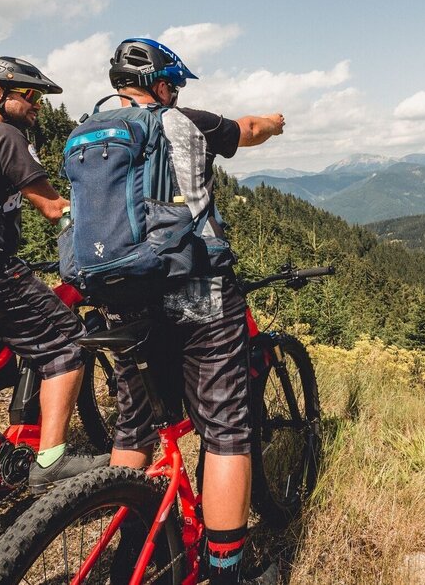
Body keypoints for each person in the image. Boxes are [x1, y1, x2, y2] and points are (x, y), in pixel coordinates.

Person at [103, 38, 284, 585]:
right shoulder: (181, 121)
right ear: (159, 83)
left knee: (135, 427)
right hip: (195, 292)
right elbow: (247, 130)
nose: (175, 94)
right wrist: (276, 121)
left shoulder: (86, 131)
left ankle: (131, 548)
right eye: (172, 85)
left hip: (117, 300)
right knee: (226, 429)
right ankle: (226, 571)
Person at [0, 56, 106, 494]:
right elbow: (54, 208)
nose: (37, 105)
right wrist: (113, 223)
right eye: (28, 95)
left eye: (39, 97)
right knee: (68, 344)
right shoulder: (2, 136)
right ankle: (51, 460)